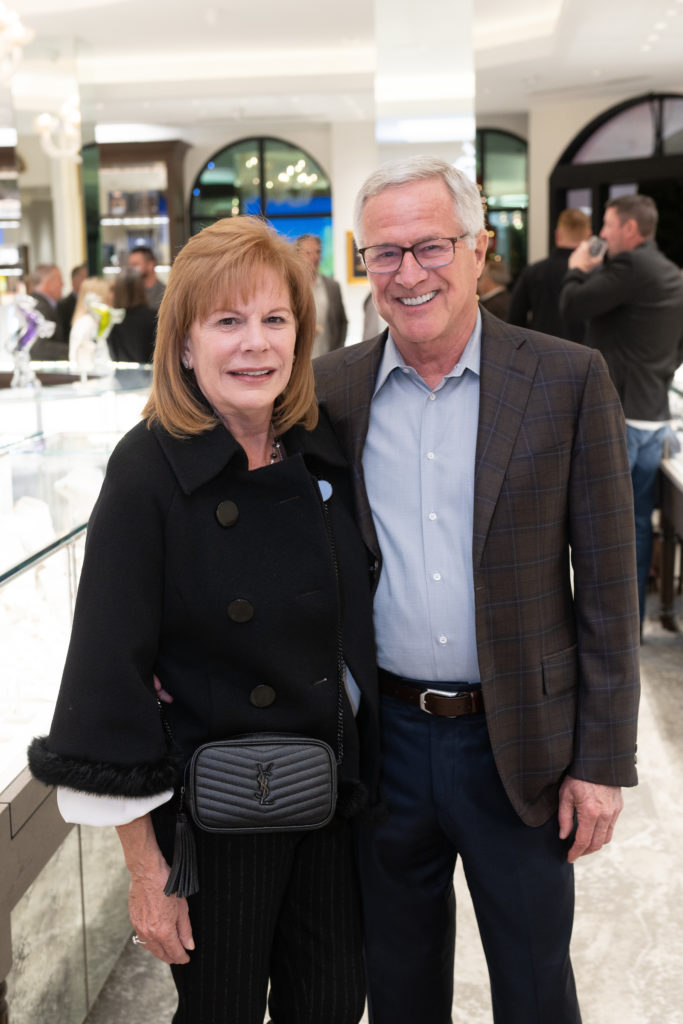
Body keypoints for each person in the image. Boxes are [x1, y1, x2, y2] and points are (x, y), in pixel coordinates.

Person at [313, 156, 640, 1024]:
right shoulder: (331, 390)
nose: (408, 273)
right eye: (384, 253)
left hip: (520, 746)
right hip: (384, 748)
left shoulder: (567, 380)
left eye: (431, 246)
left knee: (535, 986)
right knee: (400, 987)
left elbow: (610, 587)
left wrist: (600, 763)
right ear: (361, 261)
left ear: (478, 249)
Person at [28, 216, 379, 1024]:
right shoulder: (149, 466)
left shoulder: (321, 448)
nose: (254, 344)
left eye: (273, 320)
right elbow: (108, 671)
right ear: (184, 345)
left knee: (330, 1007)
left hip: (336, 798)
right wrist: (147, 871)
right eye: (227, 322)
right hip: (218, 818)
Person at [560, 193, 683, 631]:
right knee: (637, 523)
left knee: (604, 528)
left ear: (630, 229)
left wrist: (577, 268)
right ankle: (630, 622)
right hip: (656, 418)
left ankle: (612, 626)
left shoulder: (628, 268)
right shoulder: (672, 272)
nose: (602, 236)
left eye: (608, 226)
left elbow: (572, 305)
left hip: (623, 419)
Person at [509, 208, 591, 340]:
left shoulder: (534, 271)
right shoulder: (595, 273)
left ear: (558, 235)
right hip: (585, 354)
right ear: (588, 236)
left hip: (541, 351)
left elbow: (515, 318)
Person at [295, 234, 348, 356]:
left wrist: (338, 352)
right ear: (297, 256)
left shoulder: (332, 287)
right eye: (308, 253)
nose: (314, 257)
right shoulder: (290, 287)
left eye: (317, 252)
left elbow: (342, 322)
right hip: (298, 361)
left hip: (328, 360)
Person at [108, 268, 157, 362]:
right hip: (149, 375)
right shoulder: (153, 317)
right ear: (141, 289)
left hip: (121, 375)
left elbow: (113, 354)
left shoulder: (114, 319)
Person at [68, 276, 114, 371]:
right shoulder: (85, 323)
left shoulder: (96, 322)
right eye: (110, 291)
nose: (112, 295)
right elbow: (78, 359)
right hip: (90, 381)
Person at [28, 263, 67, 359]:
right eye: (59, 279)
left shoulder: (43, 304)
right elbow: (39, 347)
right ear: (48, 282)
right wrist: (74, 350)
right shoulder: (39, 307)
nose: (63, 284)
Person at [128, 245, 166, 311]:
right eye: (130, 265)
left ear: (150, 265)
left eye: (135, 265)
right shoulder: (131, 291)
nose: (131, 269)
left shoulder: (164, 293)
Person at [57, 263, 88, 340]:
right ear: (75, 279)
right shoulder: (63, 305)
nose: (88, 281)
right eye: (85, 277)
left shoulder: (91, 303)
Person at [476, 250, 511, 320]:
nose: (476, 281)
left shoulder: (495, 306)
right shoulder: (508, 299)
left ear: (490, 279)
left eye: (480, 278)